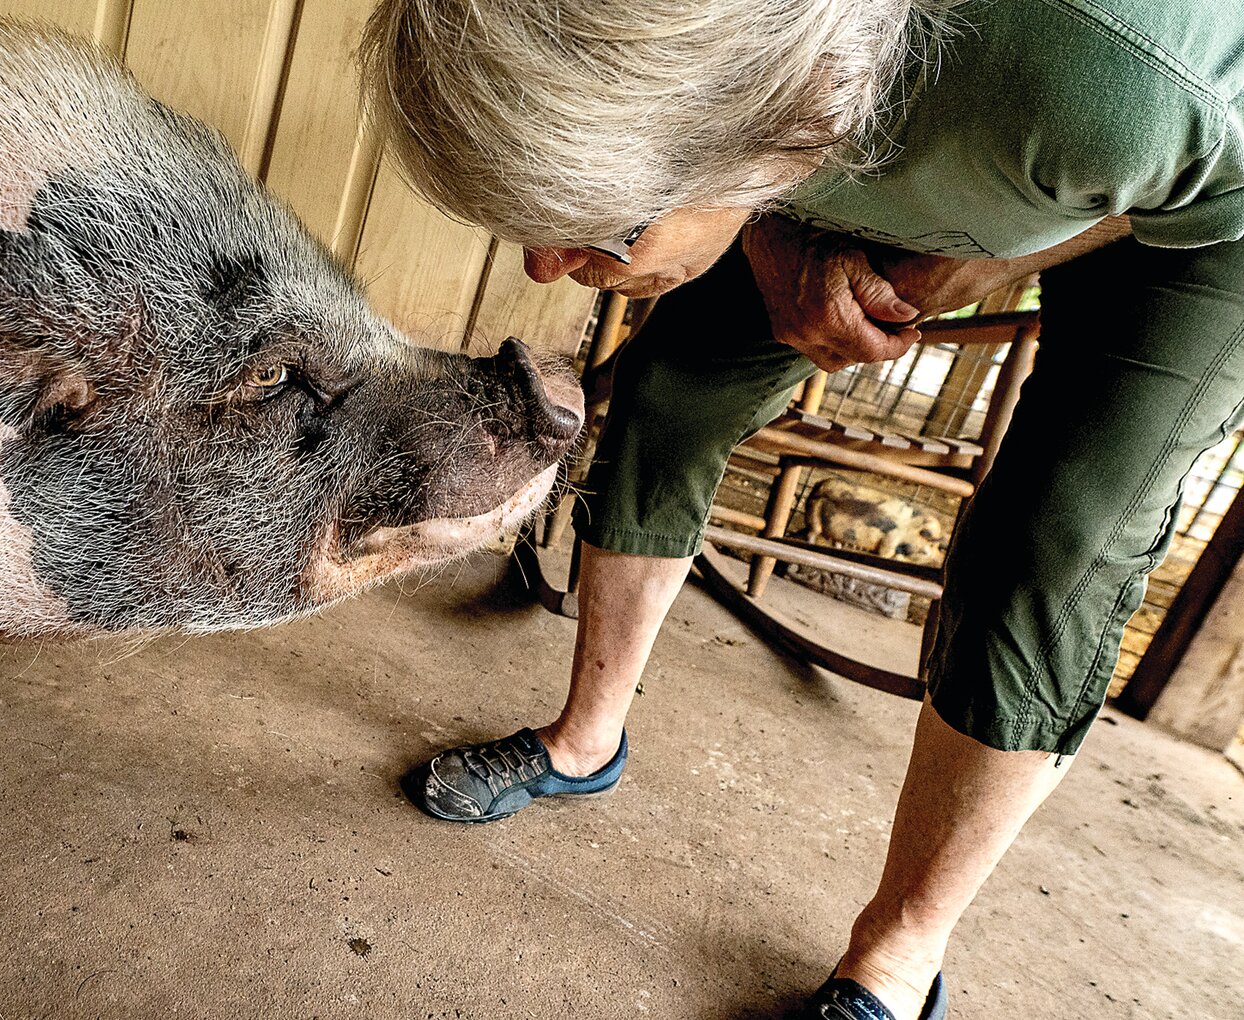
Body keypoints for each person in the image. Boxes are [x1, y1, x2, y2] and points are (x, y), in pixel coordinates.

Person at [358, 2, 1244, 1017]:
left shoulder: (1112, 79)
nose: (545, 268)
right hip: (837, 139)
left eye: (595, 228)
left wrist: (979, 262)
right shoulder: (714, 83)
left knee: (1053, 546)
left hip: (1204, 208)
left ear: (748, 130)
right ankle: (585, 741)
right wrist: (776, 243)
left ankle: (901, 949)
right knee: (672, 395)